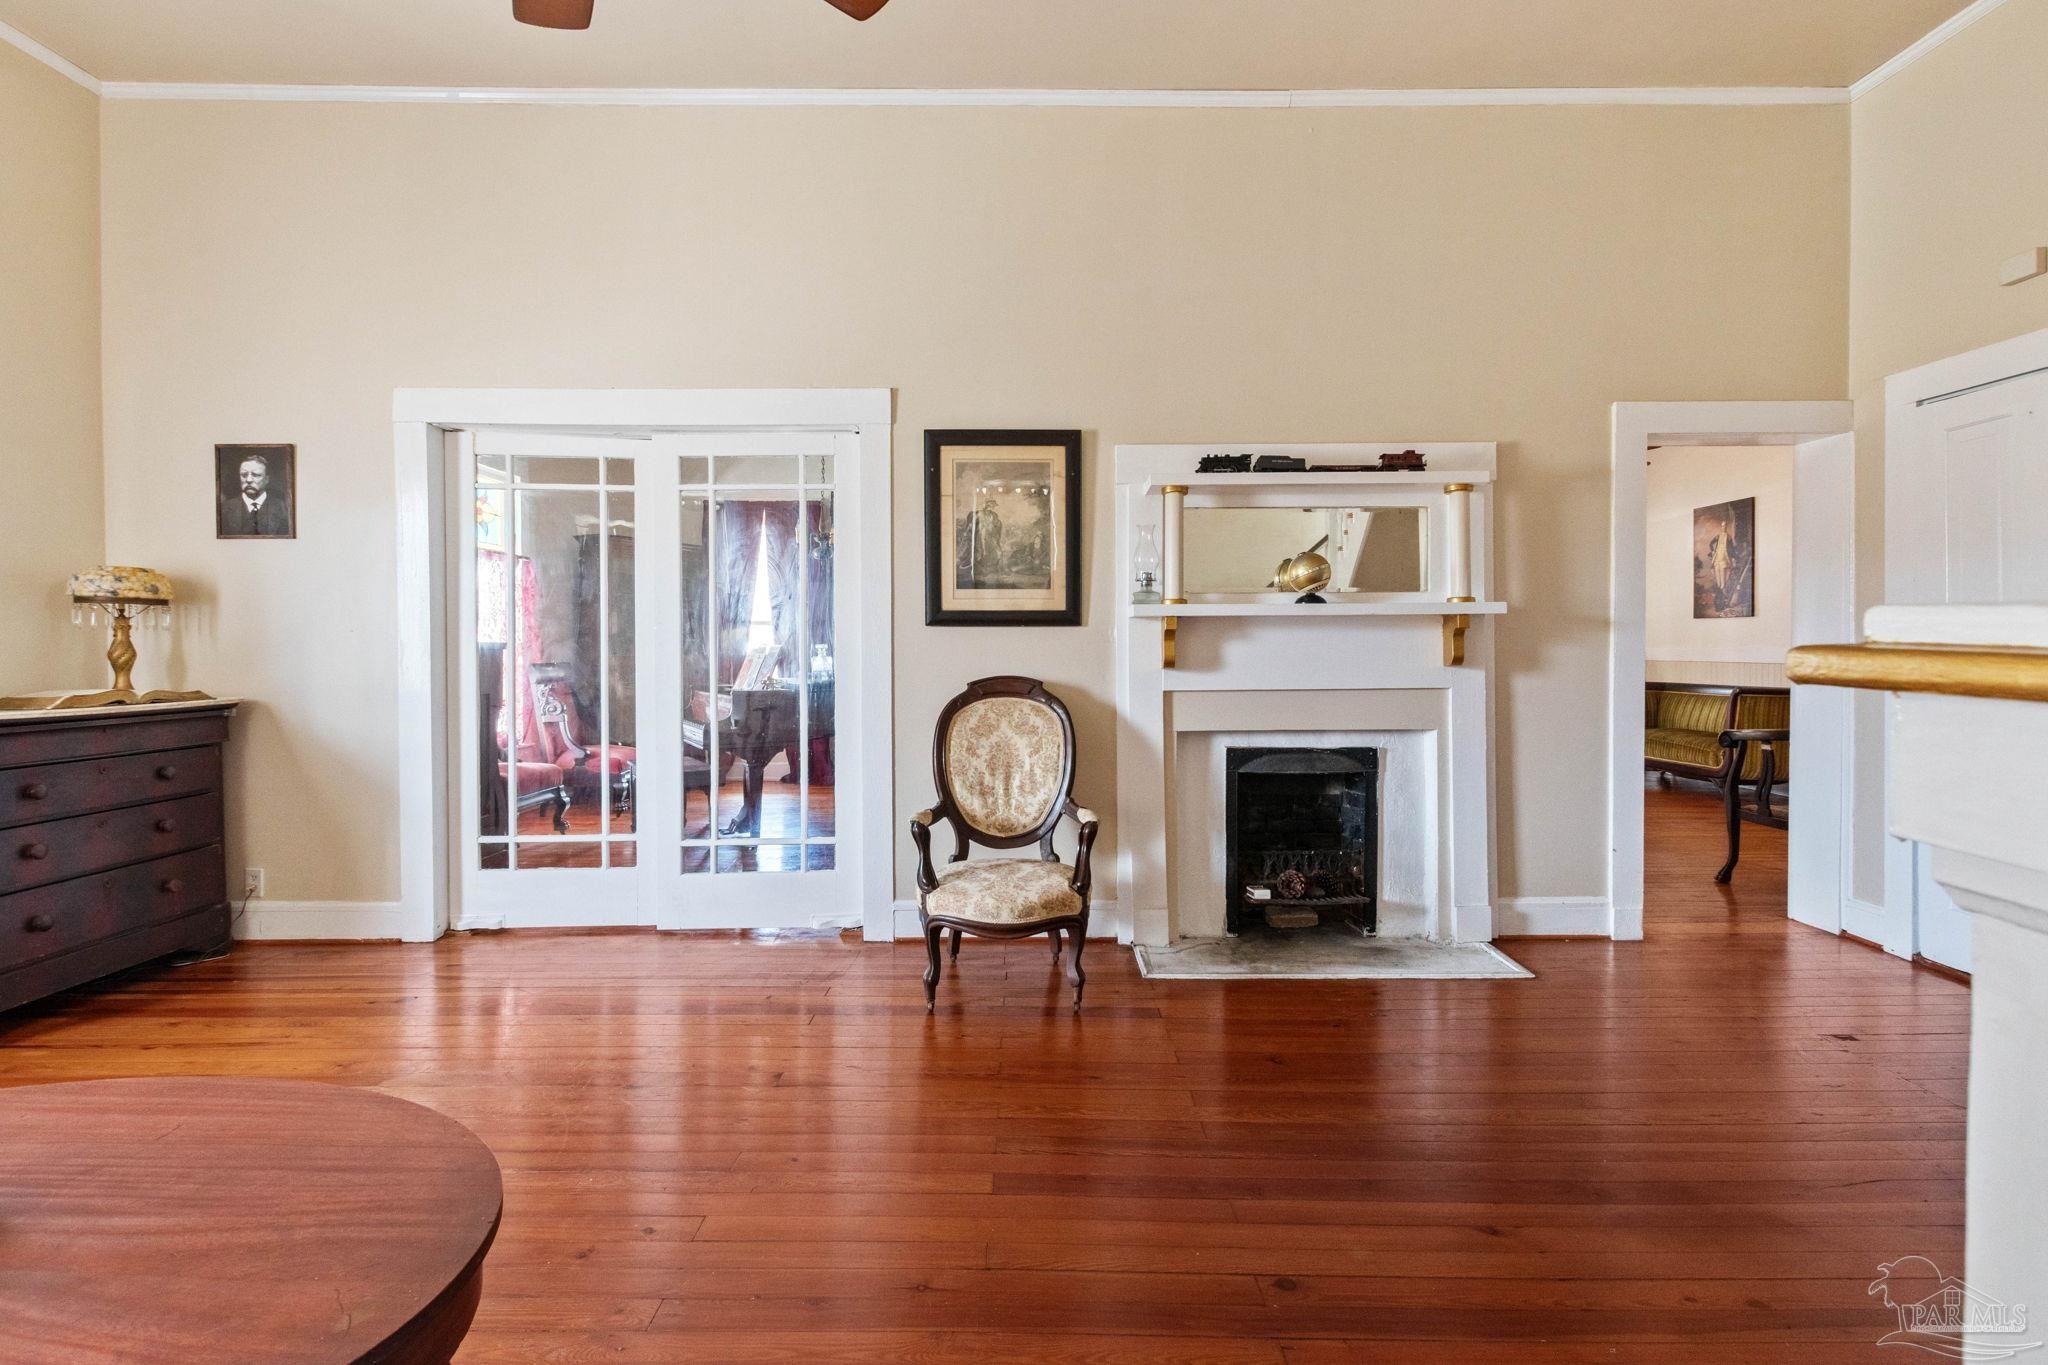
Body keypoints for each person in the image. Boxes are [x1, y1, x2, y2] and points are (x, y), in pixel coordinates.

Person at [221, 451, 291, 537]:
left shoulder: (283, 508)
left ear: (266, 479)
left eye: (256, 475)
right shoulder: (224, 509)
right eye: (244, 475)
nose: (249, 480)